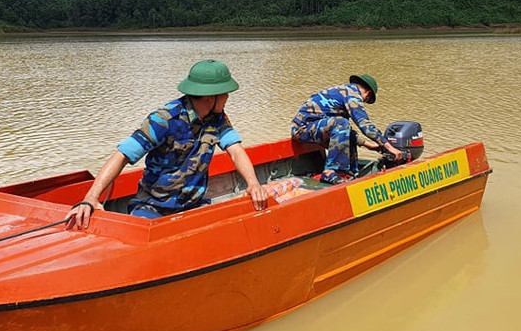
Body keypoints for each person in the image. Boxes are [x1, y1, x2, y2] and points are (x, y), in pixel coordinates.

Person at [67, 59, 268, 228]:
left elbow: (235, 150)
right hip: (153, 207)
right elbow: (123, 155)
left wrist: (253, 184)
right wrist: (91, 198)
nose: (228, 97)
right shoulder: (164, 120)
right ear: (210, 97)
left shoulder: (217, 118)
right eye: (225, 92)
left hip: (193, 206)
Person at [291, 74, 403, 184]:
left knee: (345, 128)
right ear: (368, 94)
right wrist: (388, 146)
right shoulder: (352, 95)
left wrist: (367, 144)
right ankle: (330, 171)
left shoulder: (345, 91)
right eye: (365, 100)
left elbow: (344, 130)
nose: (363, 102)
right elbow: (364, 124)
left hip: (315, 127)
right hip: (302, 129)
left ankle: (349, 172)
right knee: (342, 123)